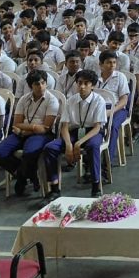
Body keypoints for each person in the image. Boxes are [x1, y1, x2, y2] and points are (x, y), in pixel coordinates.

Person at [0, 69, 59, 196]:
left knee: (29, 152)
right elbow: (16, 123)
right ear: (30, 86)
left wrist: (25, 130)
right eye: (37, 84)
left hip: (41, 135)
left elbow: (45, 128)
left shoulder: (52, 100)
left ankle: (22, 178)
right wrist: (34, 127)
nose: (41, 86)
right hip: (22, 132)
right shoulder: (24, 99)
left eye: (43, 83)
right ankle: (26, 174)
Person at [43, 69, 106, 198]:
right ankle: (54, 187)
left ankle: (96, 186)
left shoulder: (99, 100)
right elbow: (64, 126)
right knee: (50, 148)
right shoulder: (71, 100)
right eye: (79, 83)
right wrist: (68, 145)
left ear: (93, 86)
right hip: (75, 131)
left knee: (93, 146)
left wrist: (78, 143)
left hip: (92, 132)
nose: (82, 86)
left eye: (86, 83)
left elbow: (97, 127)